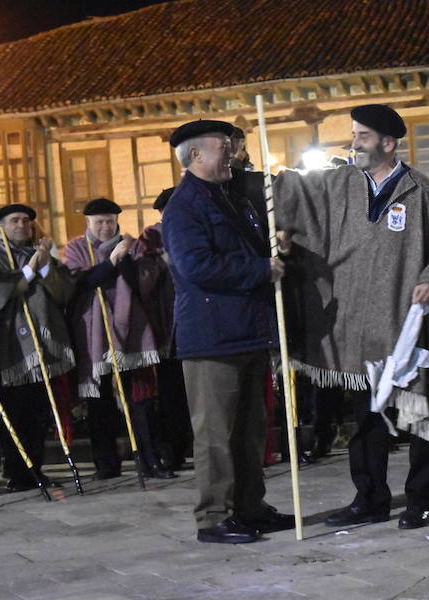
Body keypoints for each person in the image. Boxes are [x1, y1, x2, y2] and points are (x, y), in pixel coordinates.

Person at [274, 103, 429, 530]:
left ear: (388, 143)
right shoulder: (340, 185)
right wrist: (264, 188)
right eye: (353, 135)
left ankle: (420, 499)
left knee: (421, 412)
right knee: (365, 418)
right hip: (358, 328)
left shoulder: (422, 193)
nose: (354, 144)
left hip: (407, 327)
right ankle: (369, 497)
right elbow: (295, 197)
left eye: (363, 137)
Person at [163, 119, 293, 544]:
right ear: (196, 155)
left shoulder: (230, 197)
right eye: (223, 147)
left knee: (250, 430)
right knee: (216, 433)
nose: (232, 154)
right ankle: (213, 517)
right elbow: (195, 266)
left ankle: (250, 506)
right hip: (212, 335)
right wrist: (260, 268)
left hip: (247, 330)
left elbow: (243, 252)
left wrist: (274, 249)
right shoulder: (185, 206)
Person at [63, 197, 173, 480]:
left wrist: (124, 261)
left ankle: (151, 460)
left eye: (109, 221)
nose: (104, 226)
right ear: (88, 223)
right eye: (98, 222)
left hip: (132, 329)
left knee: (141, 398)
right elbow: (81, 282)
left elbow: (144, 283)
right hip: (94, 332)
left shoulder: (133, 245)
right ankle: (106, 464)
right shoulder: (76, 248)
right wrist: (111, 262)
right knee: (99, 403)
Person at [0, 204, 76, 492]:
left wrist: (45, 265)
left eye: (26, 220)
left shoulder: (41, 255)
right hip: (12, 349)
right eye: (15, 220)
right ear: (1, 226)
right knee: (15, 412)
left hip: (42, 347)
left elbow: (64, 292)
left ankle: (37, 468)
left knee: (39, 412)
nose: (22, 224)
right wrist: (31, 268)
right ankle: (17, 471)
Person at [135, 187, 192, 471]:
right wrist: (161, 262)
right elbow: (143, 281)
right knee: (171, 395)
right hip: (167, 329)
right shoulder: (151, 238)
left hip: (194, 324)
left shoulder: (194, 230)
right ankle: (174, 451)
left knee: (197, 392)